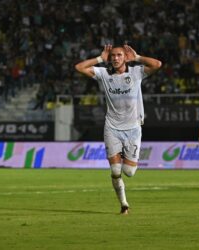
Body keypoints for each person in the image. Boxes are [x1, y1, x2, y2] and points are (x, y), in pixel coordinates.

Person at [75, 44, 162, 214]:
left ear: (125, 57)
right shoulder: (104, 74)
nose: (115, 58)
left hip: (134, 128)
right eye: (113, 55)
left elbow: (157, 64)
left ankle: (125, 169)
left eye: (119, 55)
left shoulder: (136, 73)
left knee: (128, 172)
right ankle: (124, 204)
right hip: (112, 127)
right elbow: (79, 67)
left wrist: (137, 58)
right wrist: (100, 59)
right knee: (115, 170)